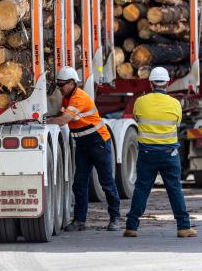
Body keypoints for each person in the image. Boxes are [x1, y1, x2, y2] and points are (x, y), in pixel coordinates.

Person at [124, 67, 197, 238]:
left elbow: (137, 118)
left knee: (141, 189)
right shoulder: (175, 104)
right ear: (167, 83)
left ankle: (131, 227)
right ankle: (183, 227)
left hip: (147, 154)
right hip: (169, 154)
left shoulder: (140, 102)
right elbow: (177, 124)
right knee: (175, 190)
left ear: (150, 83)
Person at [47, 66, 120, 231]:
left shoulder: (79, 97)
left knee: (106, 182)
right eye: (58, 85)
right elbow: (62, 112)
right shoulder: (67, 98)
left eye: (62, 85)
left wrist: (47, 121)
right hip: (82, 144)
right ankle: (80, 221)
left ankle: (115, 218)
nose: (60, 88)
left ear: (72, 83)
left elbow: (65, 119)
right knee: (79, 183)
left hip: (98, 142)